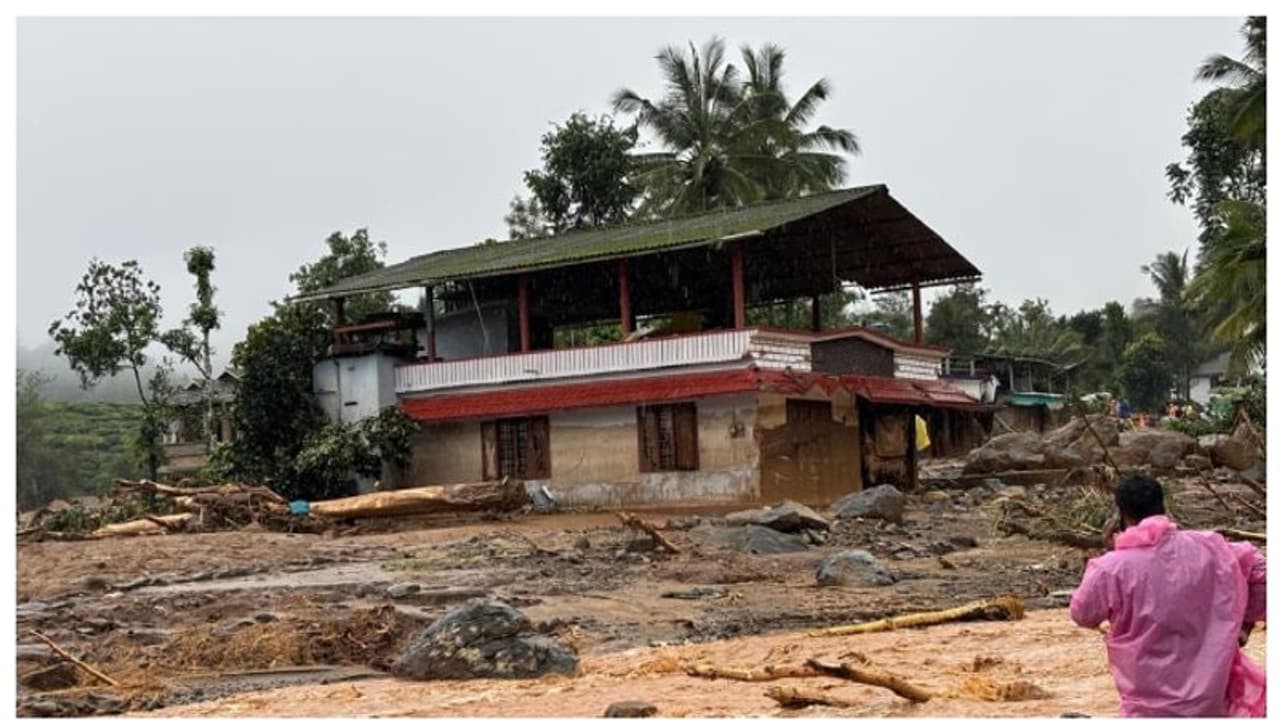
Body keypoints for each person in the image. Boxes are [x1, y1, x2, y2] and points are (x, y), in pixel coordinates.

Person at [1070, 473, 1266, 716]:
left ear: (1122, 515)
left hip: (1147, 703)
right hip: (1211, 699)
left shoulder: (1110, 568)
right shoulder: (1210, 547)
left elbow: (1082, 614)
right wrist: (1243, 626)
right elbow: (1263, 574)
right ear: (1163, 508)